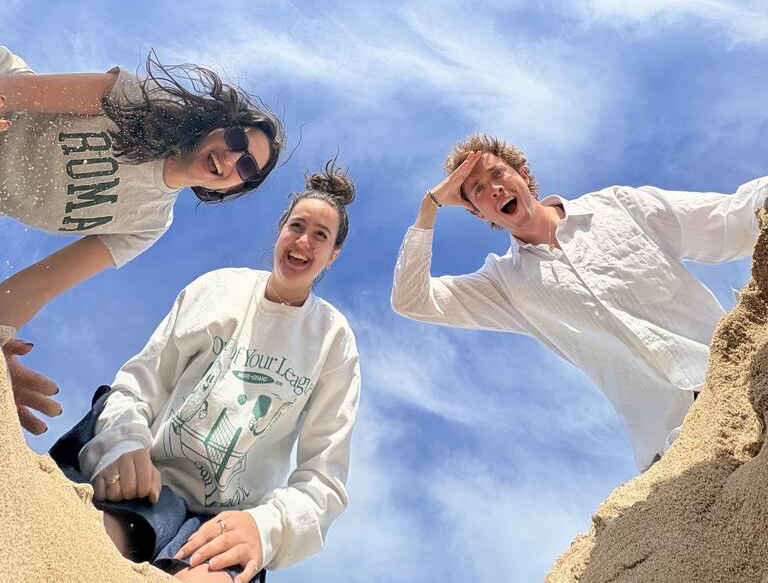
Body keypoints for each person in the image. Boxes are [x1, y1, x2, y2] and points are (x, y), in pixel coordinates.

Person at [49, 163, 360, 583]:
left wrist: (267, 528)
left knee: (207, 577)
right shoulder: (218, 290)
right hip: (150, 479)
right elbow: (142, 382)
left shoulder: (333, 339)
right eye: (297, 226)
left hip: (229, 521)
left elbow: (324, 474)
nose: (304, 241)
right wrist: (123, 442)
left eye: (320, 235)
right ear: (280, 230)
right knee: (92, 548)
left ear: (333, 256)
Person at [391, 132, 768, 469]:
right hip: (678, 446)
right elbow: (412, 300)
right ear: (475, 212)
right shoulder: (506, 285)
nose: (493, 189)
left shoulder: (618, 206)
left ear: (523, 174)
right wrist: (431, 206)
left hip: (741, 381)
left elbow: (727, 219)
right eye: (476, 190)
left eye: (497, 174)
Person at [0, 44, 284, 432]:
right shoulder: (146, 105)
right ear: (217, 128)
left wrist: (0, 350)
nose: (233, 159)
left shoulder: (148, 223)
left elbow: (40, 284)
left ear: (230, 190)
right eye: (237, 140)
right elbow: (24, 93)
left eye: (247, 167)